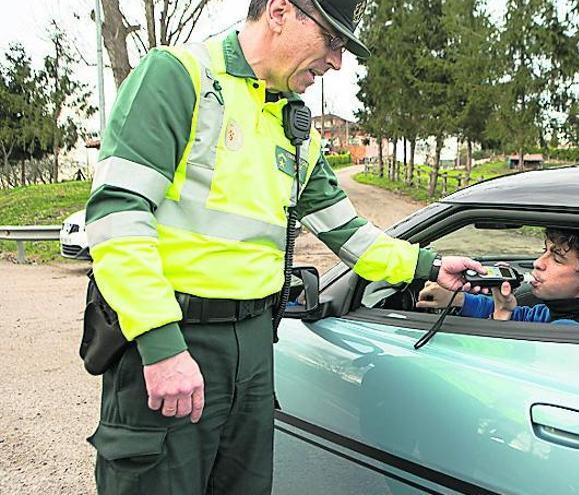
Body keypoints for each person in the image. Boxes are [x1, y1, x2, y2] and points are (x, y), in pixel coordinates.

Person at [83, 1, 482, 493]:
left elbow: (347, 232)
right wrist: (161, 344)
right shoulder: (178, 77)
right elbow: (118, 216)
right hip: (177, 339)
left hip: (253, 344)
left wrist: (428, 265)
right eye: (332, 41)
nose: (336, 62)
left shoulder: (295, 128)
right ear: (279, 12)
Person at [417, 228, 579, 323]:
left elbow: (495, 372)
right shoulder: (561, 311)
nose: (538, 263)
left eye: (557, 259)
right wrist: (458, 299)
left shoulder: (570, 333)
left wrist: (500, 315)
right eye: (544, 251)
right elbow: (523, 316)